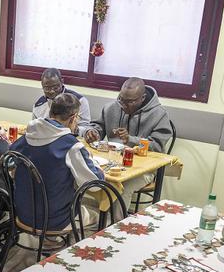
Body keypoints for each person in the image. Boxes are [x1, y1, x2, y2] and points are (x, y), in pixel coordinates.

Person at [11, 92, 103, 231]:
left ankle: (52, 243)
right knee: (101, 218)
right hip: (56, 220)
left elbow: (9, 162)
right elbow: (95, 184)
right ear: (73, 118)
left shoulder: (26, 137)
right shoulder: (70, 146)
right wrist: (93, 161)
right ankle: (66, 249)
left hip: (22, 214)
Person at [84, 77, 173, 210]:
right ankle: (95, 220)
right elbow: (98, 126)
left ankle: (115, 226)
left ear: (142, 98)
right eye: (121, 99)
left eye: (129, 102)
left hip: (144, 169)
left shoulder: (159, 115)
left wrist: (131, 140)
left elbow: (157, 147)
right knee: (81, 174)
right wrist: (92, 132)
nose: (123, 105)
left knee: (123, 188)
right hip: (112, 162)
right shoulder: (111, 107)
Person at [32, 68, 92, 137]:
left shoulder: (79, 101)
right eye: (47, 88)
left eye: (55, 87)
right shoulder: (38, 105)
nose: (52, 91)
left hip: (73, 140)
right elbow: (35, 127)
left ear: (62, 82)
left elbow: (86, 127)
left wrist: (75, 129)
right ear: (42, 85)